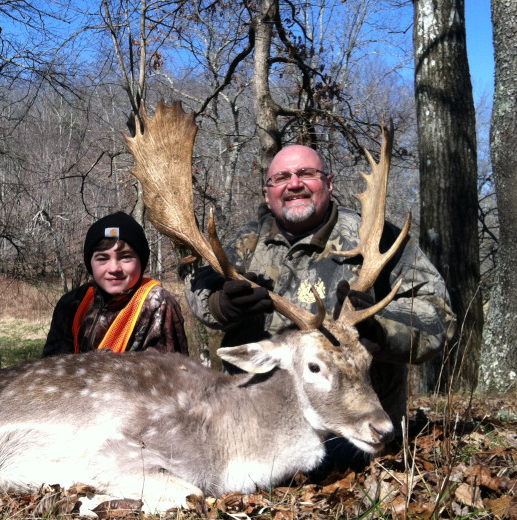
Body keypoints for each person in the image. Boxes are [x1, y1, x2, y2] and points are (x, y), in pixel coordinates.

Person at [184, 144, 455, 473]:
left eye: (307, 174)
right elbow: (198, 291)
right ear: (269, 193)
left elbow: (438, 316)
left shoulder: (377, 237)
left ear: (329, 183)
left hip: (353, 431)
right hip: (250, 428)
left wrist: (379, 327)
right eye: (281, 177)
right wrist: (220, 304)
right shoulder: (245, 242)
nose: (294, 183)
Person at [43, 211, 189, 356]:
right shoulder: (72, 303)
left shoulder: (159, 304)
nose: (114, 269)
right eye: (102, 259)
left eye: (125, 257)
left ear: (141, 262)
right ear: (90, 264)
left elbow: (168, 373)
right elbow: (50, 367)